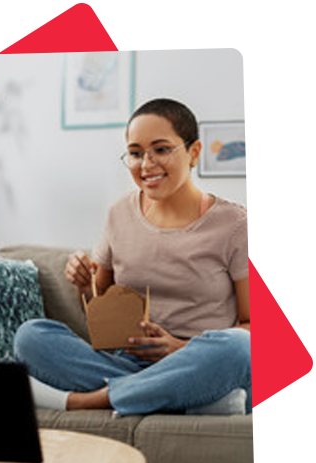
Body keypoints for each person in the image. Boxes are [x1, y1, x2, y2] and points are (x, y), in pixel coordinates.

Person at [14, 98, 251, 416]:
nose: (146, 164)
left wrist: (178, 349)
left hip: (199, 358)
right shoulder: (119, 214)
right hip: (126, 360)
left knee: (239, 348)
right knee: (30, 337)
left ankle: (94, 399)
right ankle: (187, 398)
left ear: (194, 152)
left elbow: (252, 326)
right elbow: (97, 305)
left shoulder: (234, 224)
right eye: (136, 153)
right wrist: (83, 284)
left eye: (162, 149)